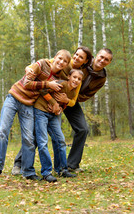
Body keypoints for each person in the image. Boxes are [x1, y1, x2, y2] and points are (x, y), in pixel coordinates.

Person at [0, 49, 71, 182]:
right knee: (3, 131)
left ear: (67, 65)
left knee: (29, 139)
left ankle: (28, 171)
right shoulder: (42, 64)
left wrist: (60, 105)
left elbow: (51, 94)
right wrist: (48, 84)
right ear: (54, 57)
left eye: (65, 61)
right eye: (59, 58)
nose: (61, 62)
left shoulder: (58, 80)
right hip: (13, 97)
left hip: (29, 104)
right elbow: (27, 83)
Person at [11, 46, 93, 175]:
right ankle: (20, 163)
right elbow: (46, 62)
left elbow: (73, 98)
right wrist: (29, 68)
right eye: (76, 54)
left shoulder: (80, 75)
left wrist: (62, 105)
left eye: (81, 57)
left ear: (86, 61)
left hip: (61, 103)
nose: (77, 58)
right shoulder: (64, 61)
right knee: (37, 136)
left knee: (60, 138)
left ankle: (63, 168)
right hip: (44, 101)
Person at [34, 69, 84, 182]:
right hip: (41, 110)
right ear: (69, 77)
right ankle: (46, 173)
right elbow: (42, 90)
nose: (76, 80)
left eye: (79, 79)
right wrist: (54, 103)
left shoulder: (73, 92)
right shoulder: (61, 84)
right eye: (74, 77)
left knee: (60, 140)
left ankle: (62, 169)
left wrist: (60, 108)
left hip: (53, 115)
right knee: (42, 141)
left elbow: (65, 104)